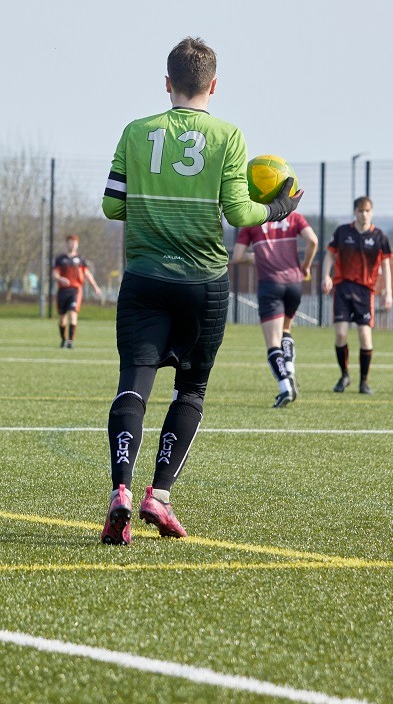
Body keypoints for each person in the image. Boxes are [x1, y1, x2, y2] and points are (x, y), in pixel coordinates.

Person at [98, 37, 301, 545]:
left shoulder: (135, 131)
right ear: (214, 86)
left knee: (133, 384)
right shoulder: (228, 135)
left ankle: (121, 490)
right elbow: (239, 212)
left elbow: (112, 206)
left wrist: (154, 205)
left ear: (167, 83)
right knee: (190, 391)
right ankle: (159, 496)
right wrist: (279, 209)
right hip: (202, 284)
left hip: (144, 278)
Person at [232, 212, 319, 408]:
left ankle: (285, 387)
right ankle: (289, 368)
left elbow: (237, 256)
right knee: (286, 330)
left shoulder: (253, 218)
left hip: (270, 284)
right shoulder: (293, 216)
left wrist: (256, 256)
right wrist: (305, 266)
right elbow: (313, 241)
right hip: (294, 283)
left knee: (273, 342)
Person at [321, 196, 392, 395]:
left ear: (372, 212)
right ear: (355, 212)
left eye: (367, 211)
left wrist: (389, 291)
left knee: (365, 336)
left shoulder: (379, 236)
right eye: (360, 211)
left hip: (365, 291)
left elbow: (386, 265)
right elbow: (330, 254)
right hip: (343, 289)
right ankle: (344, 375)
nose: (364, 214)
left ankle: (364, 382)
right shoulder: (342, 232)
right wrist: (326, 275)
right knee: (341, 334)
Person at [52, 234, 103, 348]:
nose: (73, 245)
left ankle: (70, 341)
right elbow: (54, 274)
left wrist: (95, 287)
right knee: (62, 319)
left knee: (73, 313)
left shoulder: (80, 260)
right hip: (62, 291)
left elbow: (87, 274)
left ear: (77, 245)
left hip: (75, 290)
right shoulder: (60, 259)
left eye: (75, 243)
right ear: (67, 244)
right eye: (70, 242)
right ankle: (63, 339)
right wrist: (60, 279)